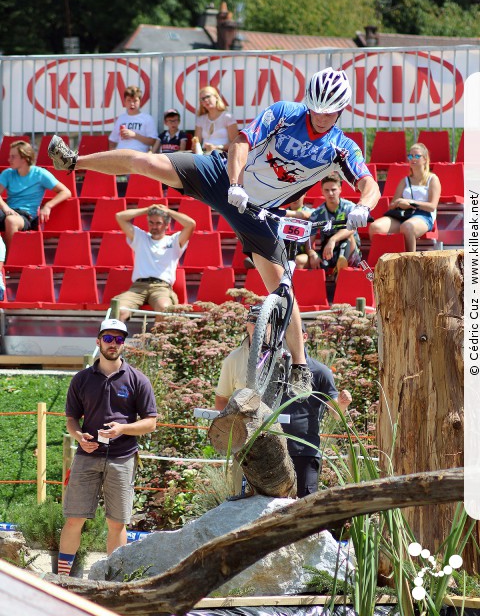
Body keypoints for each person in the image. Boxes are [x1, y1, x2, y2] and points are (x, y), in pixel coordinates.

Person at [48, 67, 380, 398]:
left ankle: (300, 366)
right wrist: (235, 183)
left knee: (284, 290)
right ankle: (74, 160)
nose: (321, 118)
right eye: (316, 110)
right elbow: (242, 142)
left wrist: (363, 206)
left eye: (330, 113)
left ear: (341, 110)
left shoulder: (341, 146)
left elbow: (369, 184)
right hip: (224, 178)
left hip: (261, 214)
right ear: (308, 102)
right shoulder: (284, 113)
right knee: (148, 164)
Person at [215, 305, 351, 498]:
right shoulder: (273, 364)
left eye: (292, 335)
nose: (288, 340)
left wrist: (343, 405)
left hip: (304, 450)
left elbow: (336, 414)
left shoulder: (320, 372)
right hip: (265, 448)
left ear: (303, 337)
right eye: (285, 335)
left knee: (304, 505)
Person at [57, 318, 157, 575]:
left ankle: (112, 580)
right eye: (109, 338)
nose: (114, 344)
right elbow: (71, 419)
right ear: (98, 341)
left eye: (119, 339)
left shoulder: (138, 380)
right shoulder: (81, 379)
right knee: (73, 519)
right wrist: (79, 437)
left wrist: (122, 428)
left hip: (122, 458)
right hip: (87, 456)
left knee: (117, 523)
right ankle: (62, 577)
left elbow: (150, 423)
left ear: (124, 344)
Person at [113, 204, 195, 321]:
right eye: (151, 223)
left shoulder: (174, 240)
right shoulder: (140, 237)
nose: (154, 226)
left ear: (167, 225)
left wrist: (168, 211)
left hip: (161, 287)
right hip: (138, 287)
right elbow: (119, 216)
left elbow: (191, 224)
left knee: (164, 309)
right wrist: (147, 210)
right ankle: (116, 339)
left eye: (158, 223)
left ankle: (155, 339)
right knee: (119, 310)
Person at [369, 142, 441, 252]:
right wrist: (399, 204)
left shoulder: (433, 179)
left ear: (425, 159)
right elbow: (392, 206)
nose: (413, 159)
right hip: (403, 216)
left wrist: (410, 203)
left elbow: (432, 206)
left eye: (417, 156)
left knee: (407, 227)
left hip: (423, 216)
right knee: (375, 227)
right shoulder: (404, 181)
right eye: (410, 156)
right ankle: (382, 260)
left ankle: (410, 263)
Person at [0, 140, 71, 247]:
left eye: (13, 156)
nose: (9, 160)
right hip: (8, 211)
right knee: (10, 218)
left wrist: (48, 206)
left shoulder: (40, 174)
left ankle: (8, 260)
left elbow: (66, 192)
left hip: (26, 216)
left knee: (11, 221)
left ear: (24, 158)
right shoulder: (7, 173)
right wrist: (6, 208)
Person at [287, 172, 362, 272]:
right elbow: (309, 241)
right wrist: (312, 253)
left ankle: (341, 265)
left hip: (350, 250)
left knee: (348, 235)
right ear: (322, 191)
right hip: (328, 250)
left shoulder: (350, 207)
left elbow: (352, 228)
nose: (330, 193)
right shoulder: (317, 213)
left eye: (333, 190)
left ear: (340, 189)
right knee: (317, 261)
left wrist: (333, 240)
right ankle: (337, 270)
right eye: (327, 190)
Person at [109, 85, 158, 153]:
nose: (132, 104)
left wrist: (134, 135)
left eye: (135, 101)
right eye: (129, 100)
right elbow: (112, 140)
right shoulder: (121, 118)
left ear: (140, 102)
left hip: (138, 155)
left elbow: (153, 141)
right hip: (121, 155)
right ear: (125, 102)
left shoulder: (147, 119)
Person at [194, 86, 239, 155]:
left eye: (208, 96)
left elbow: (236, 143)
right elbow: (197, 142)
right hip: (203, 154)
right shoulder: (201, 119)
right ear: (201, 103)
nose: (206, 100)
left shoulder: (227, 117)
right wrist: (195, 146)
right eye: (202, 99)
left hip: (222, 155)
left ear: (216, 97)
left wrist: (216, 147)